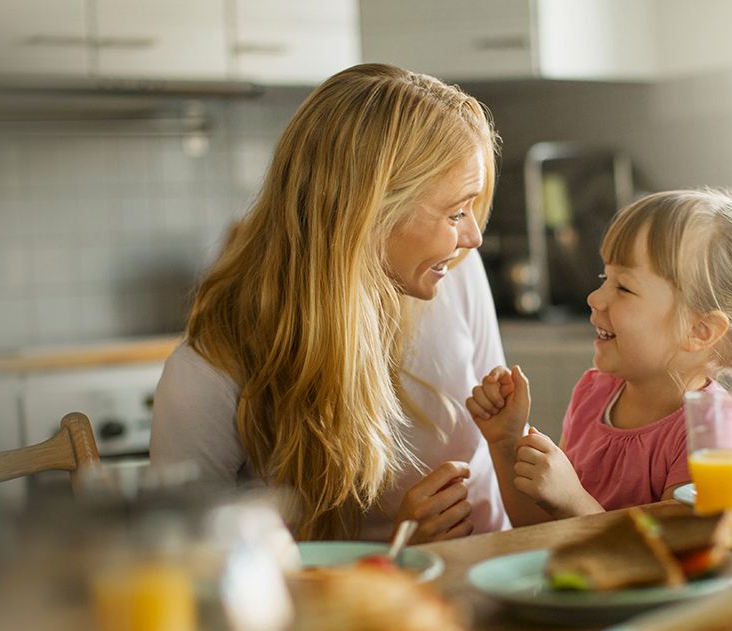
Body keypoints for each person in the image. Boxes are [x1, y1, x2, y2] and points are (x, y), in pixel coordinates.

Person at [149, 63, 510, 542]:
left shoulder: (456, 275)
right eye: (456, 212)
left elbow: (500, 443)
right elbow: (191, 568)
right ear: (372, 211)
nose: (474, 236)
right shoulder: (210, 370)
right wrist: (396, 551)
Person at [467, 189, 732, 526]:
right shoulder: (594, 393)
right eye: (604, 276)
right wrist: (504, 442)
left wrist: (574, 502)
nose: (595, 298)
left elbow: (676, 558)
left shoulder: (711, 431)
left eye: (623, 286)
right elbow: (538, 531)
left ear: (699, 331)